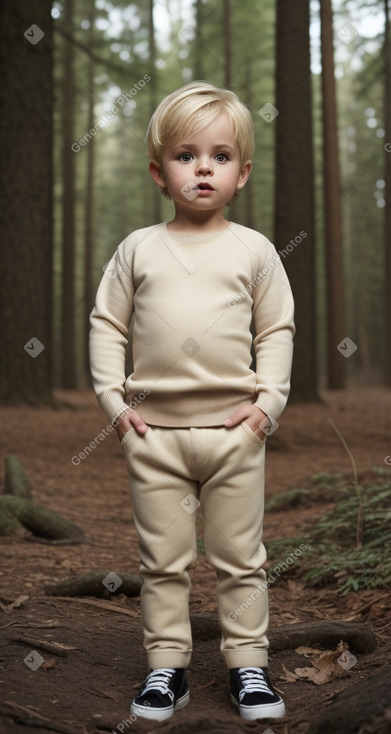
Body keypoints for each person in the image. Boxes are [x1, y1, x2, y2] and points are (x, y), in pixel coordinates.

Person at [89, 81, 295, 722]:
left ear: (242, 173)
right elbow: (107, 326)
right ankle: (166, 669)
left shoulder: (256, 250)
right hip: (155, 436)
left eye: (220, 156)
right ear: (159, 171)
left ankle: (249, 668)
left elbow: (276, 330)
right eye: (185, 155)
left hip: (235, 434)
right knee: (164, 561)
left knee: (241, 558)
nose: (202, 167)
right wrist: (115, 405)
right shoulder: (137, 249)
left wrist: (268, 405)